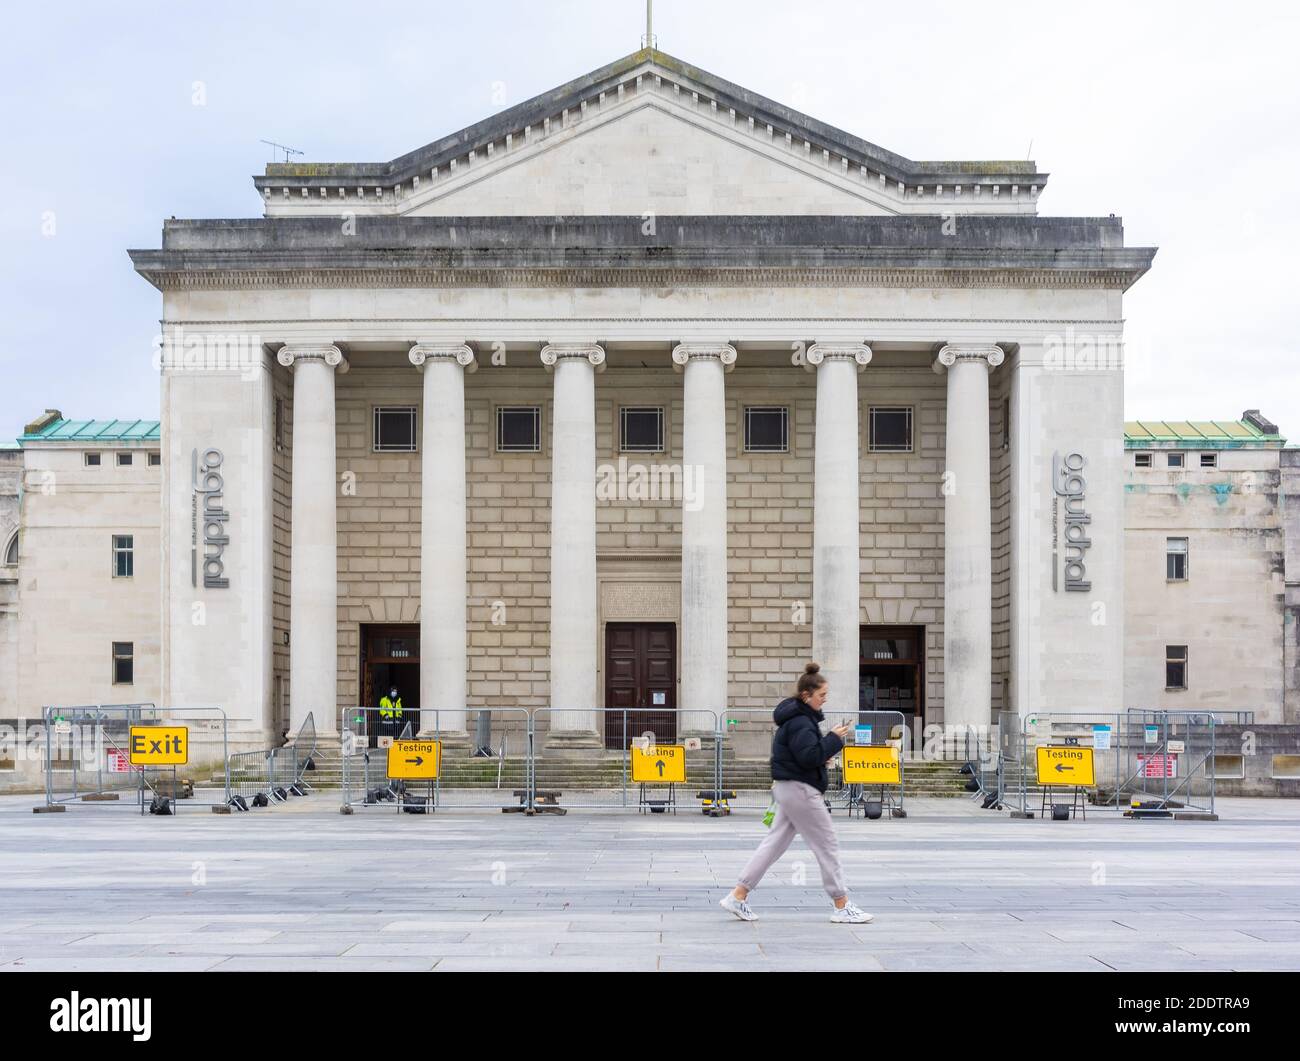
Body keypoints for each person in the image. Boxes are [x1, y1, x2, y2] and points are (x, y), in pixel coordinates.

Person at [720, 662, 872, 924]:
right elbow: (808, 755)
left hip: (788, 788)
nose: (825, 700)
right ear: (806, 696)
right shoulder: (802, 721)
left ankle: (738, 894)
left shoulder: (794, 719)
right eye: (821, 695)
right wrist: (834, 739)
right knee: (826, 844)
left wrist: (821, 753)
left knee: (773, 844)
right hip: (802, 790)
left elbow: (801, 755)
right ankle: (841, 904)